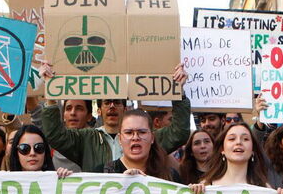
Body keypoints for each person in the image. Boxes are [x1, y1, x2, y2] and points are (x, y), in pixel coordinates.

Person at [40, 64, 190, 171]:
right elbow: (55, 135)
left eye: (117, 102)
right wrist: (51, 94)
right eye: (107, 103)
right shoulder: (85, 139)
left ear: (125, 109)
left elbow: (179, 133)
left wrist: (179, 92)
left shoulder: (146, 137)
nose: (112, 106)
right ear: (99, 110)